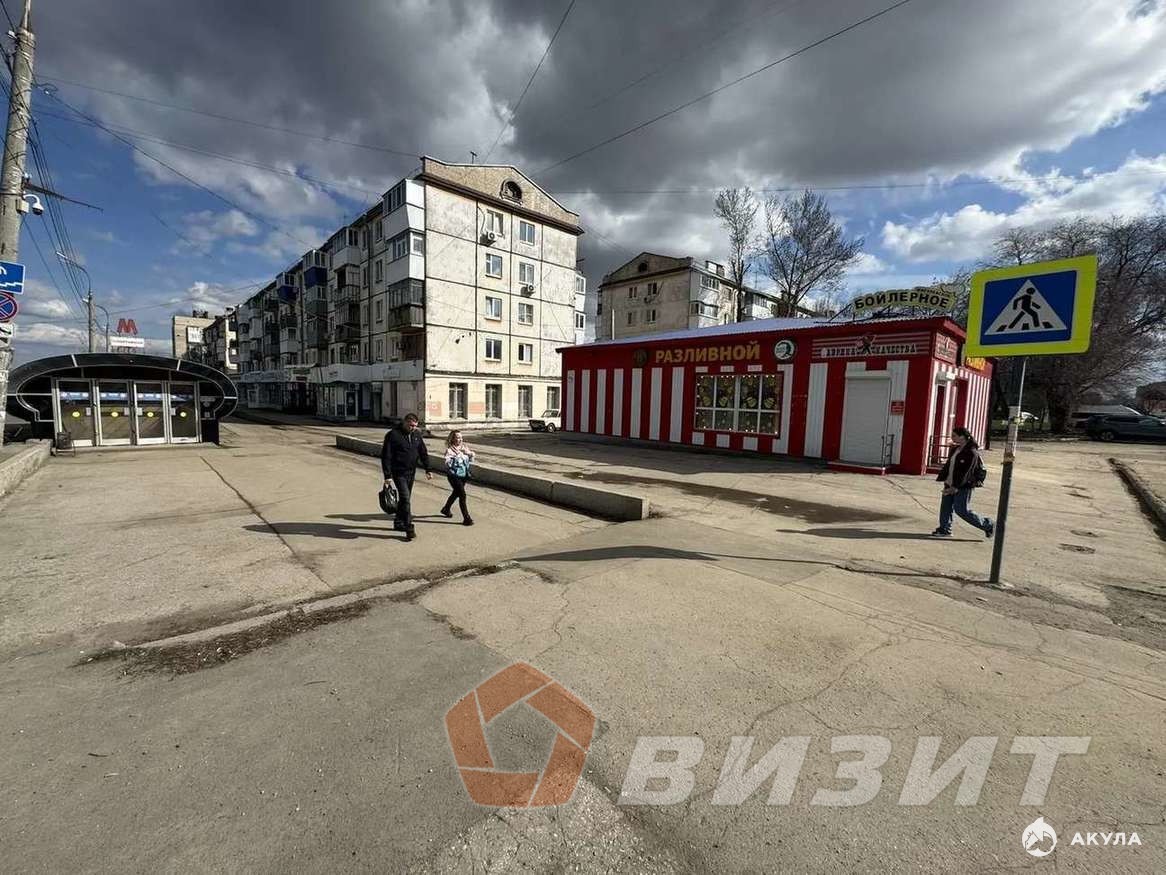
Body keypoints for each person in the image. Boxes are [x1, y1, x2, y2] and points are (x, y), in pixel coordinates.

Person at [933, 426, 994, 539]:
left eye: (954, 436)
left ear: (962, 437)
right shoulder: (955, 449)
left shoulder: (971, 452)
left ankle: (987, 524)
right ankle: (944, 529)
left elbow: (966, 472)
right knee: (946, 507)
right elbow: (949, 465)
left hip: (963, 485)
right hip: (949, 482)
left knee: (961, 510)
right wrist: (945, 479)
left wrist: (955, 487)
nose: (952, 438)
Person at [381, 413, 432, 541]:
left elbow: (423, 452)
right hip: (398, 472)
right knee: (405, 498)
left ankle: (398, 522)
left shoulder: (417, 435)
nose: (412, 428)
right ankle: (409, 527)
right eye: (410, 425)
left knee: (405, 499)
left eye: (415, 426)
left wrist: (428, 468)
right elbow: (386, 455)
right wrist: (387, 475)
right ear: (404, 422)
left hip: (411, 472)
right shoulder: (393, 435)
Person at [441, 431, 475, 526]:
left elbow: (470, 460)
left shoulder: (464, 448)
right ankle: (466, 518)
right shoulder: (449, 450)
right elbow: (447, 464)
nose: (460, 439)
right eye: (458, 437)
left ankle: (446, 509)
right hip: (453, 476)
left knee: (456, 493)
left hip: (463, 475)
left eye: (461, 437)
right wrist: (457, 457)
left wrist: (470, 454)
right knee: (462, 495)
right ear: (452, 439)